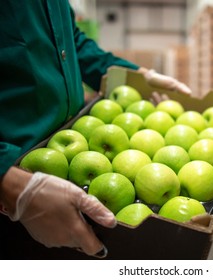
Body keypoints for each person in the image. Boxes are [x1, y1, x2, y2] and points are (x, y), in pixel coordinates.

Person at [0, 0, 191, 259]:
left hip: (71, 144)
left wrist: (137, 74)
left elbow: (71, 43)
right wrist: (9, 182)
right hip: (14, 176)